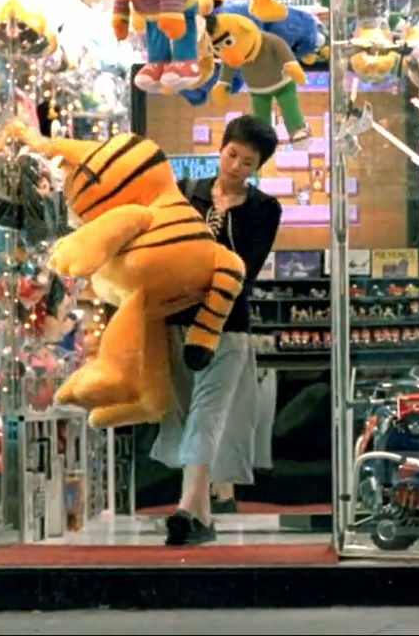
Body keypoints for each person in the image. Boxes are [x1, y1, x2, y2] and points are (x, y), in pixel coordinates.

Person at [151, 115, 283, 545]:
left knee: (207, 414)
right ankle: (202, 520)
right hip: (176, 321)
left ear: (258, 167)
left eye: (248, 162)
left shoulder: (265, 209)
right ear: (221, 148)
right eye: (232, 155)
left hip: (228, 326)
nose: (236, 167)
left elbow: (246, 268)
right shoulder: (184, 193)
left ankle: (185, 506)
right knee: (185, 413)